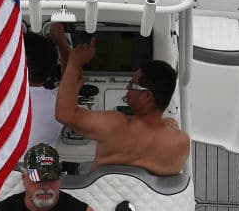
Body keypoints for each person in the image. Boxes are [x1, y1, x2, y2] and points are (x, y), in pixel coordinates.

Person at [55, 41, 190, 176]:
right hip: (147, 197)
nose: (127, 88)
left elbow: (64, 114)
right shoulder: (181, 142)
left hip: (104, 196)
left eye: (132, 84)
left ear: (147, 96)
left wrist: (74, 62)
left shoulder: (115, 125)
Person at [24, 24, 72, 147]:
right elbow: (73, 74)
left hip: (6, 166)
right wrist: (60, 40)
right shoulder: (59, 101)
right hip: (44, 165)